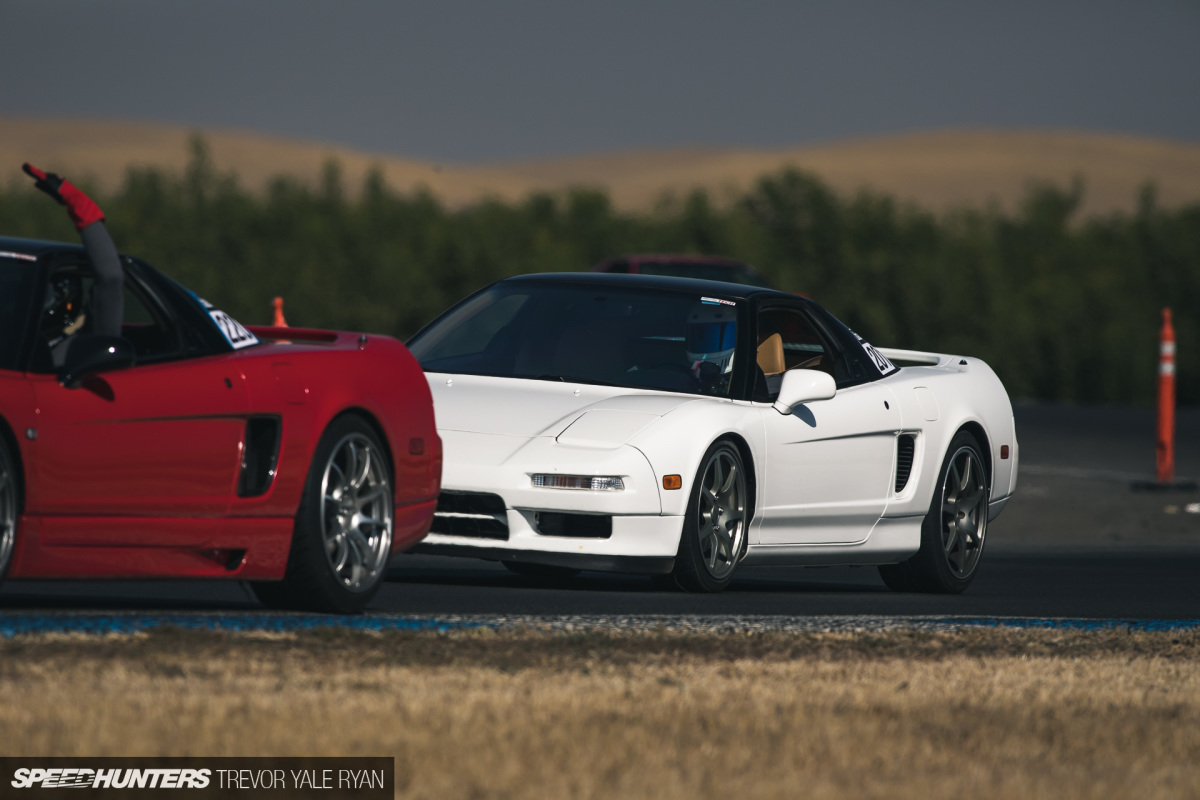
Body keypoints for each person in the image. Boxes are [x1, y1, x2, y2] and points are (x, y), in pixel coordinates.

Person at [22, 163, 124, 361]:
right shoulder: (12, 341)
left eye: (48, 290)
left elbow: (110, 276)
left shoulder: (84, 348)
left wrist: (76, 200)